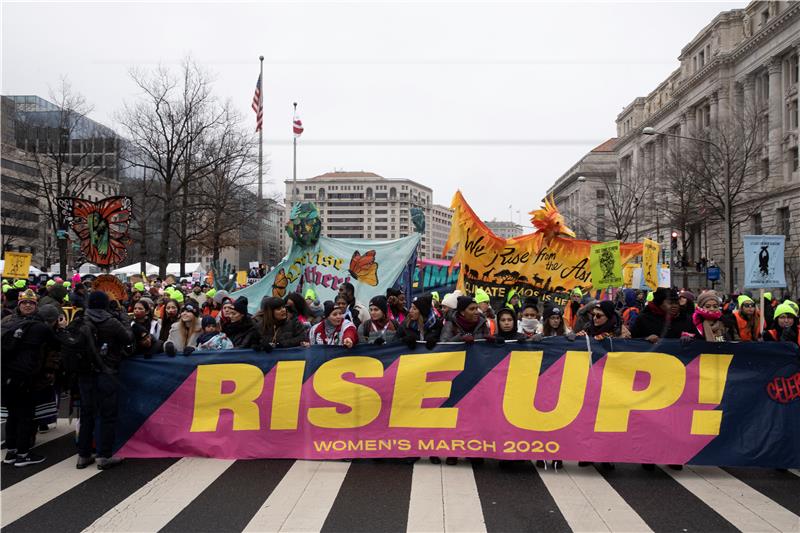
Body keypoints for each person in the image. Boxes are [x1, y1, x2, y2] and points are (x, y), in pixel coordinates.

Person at [76, 290, 134, 470]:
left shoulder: (80, 320)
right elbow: (128, 338)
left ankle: (83, 455)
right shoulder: (111, 322)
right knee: (106, 414)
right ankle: (104, 455)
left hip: (85, 373)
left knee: (87, 414)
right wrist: (124, 317)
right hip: (107, 371)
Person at [1, 302, 62, 467]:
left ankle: (11, 452)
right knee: (26, 415)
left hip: (6, 375)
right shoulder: (41, 328)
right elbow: (58, 344)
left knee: (13, 415)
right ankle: (23, 455)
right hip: (25, 376)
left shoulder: (14, 324)